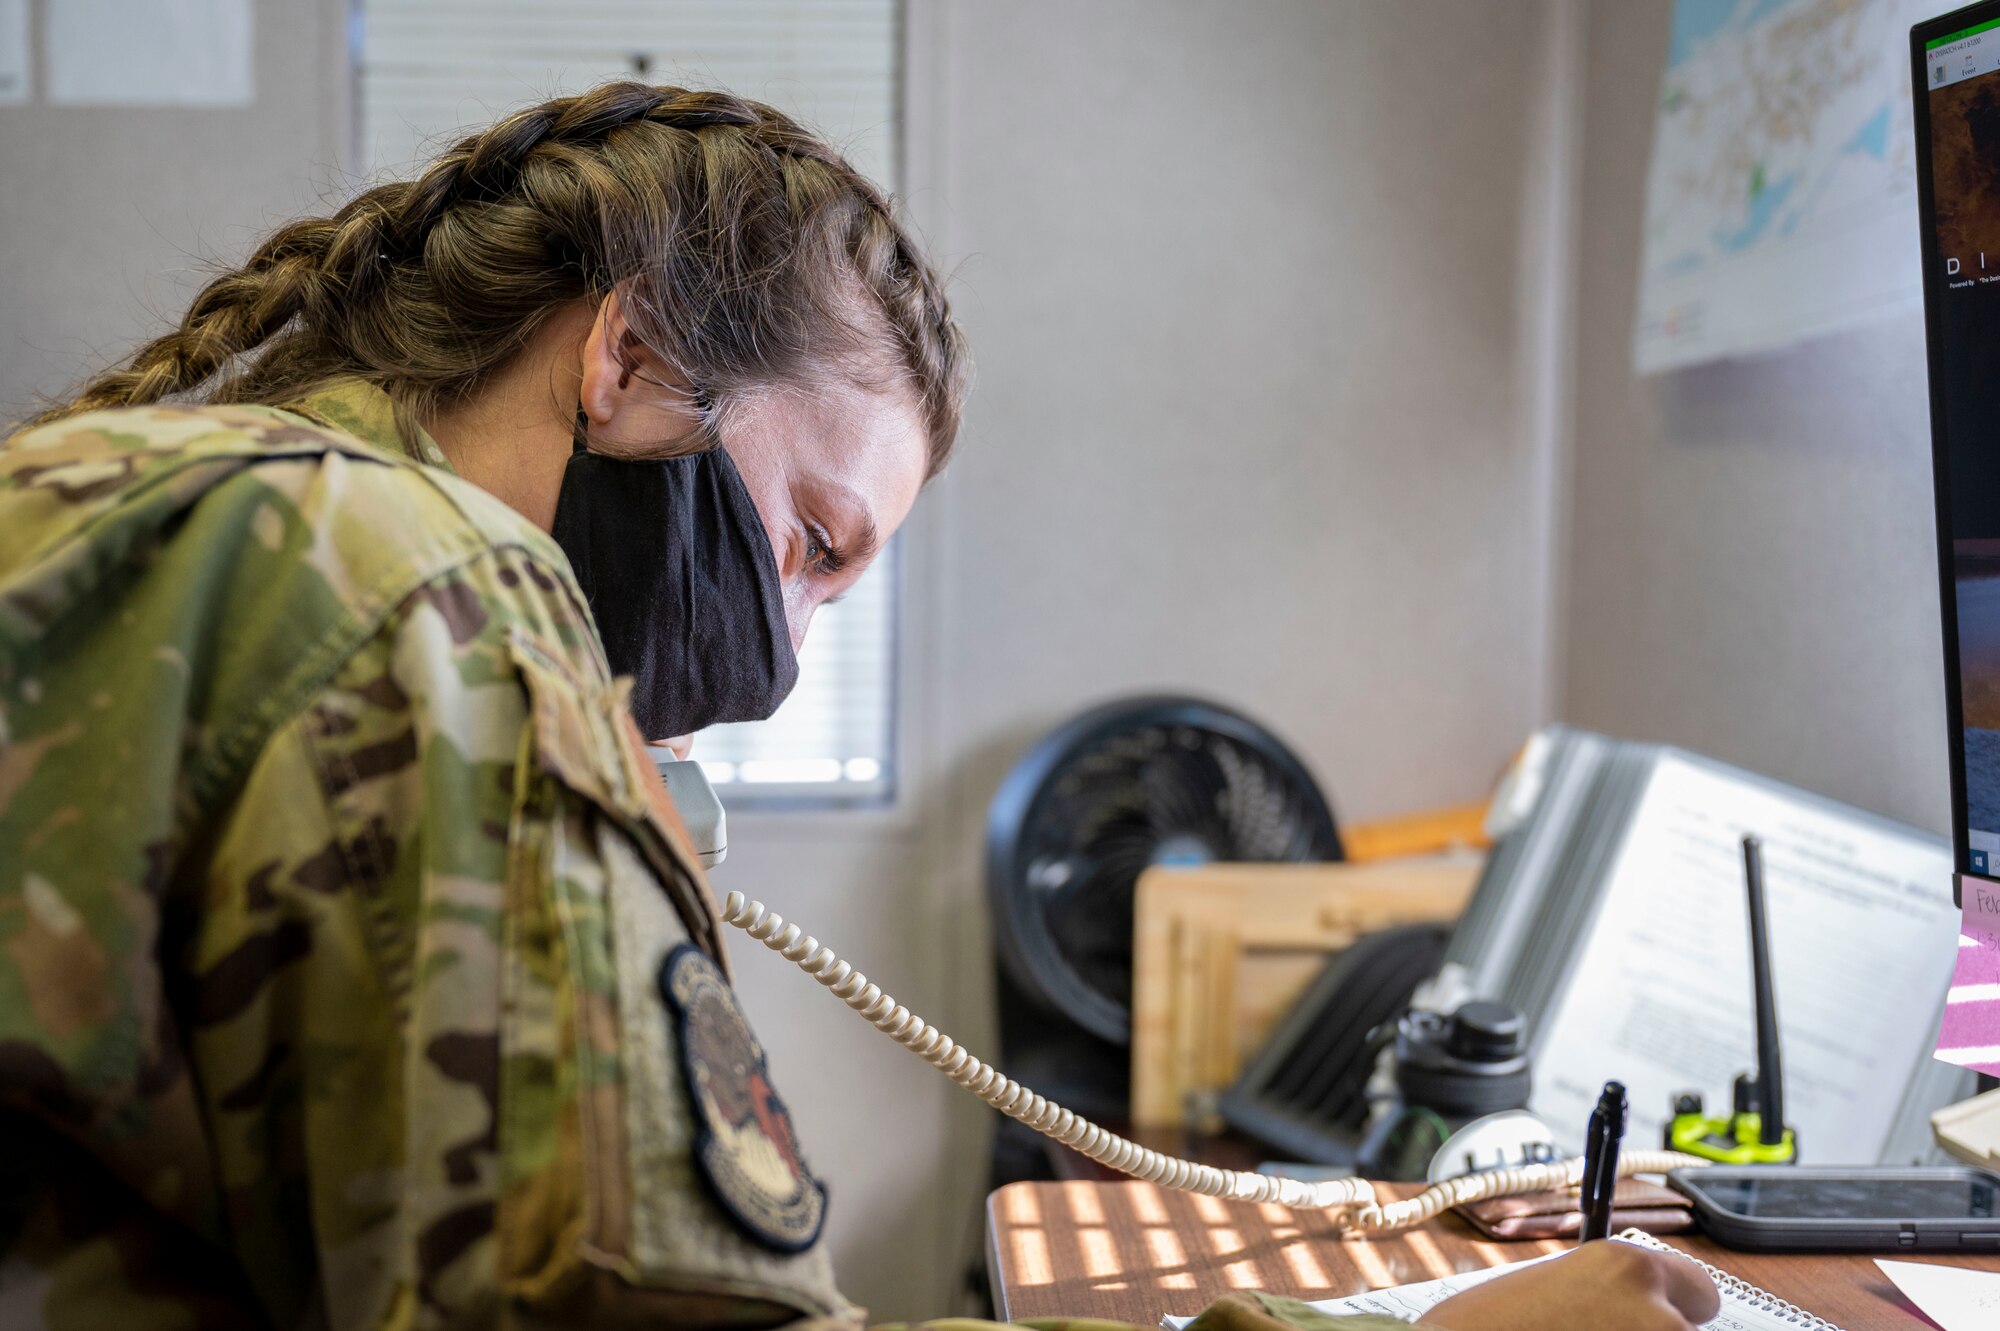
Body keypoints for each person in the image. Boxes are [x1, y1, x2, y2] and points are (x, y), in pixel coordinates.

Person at [0, 81, 1716, 1331]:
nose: (788, 654)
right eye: (812, 544)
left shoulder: (161, 495)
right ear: (631, 359)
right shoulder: (434, 601)